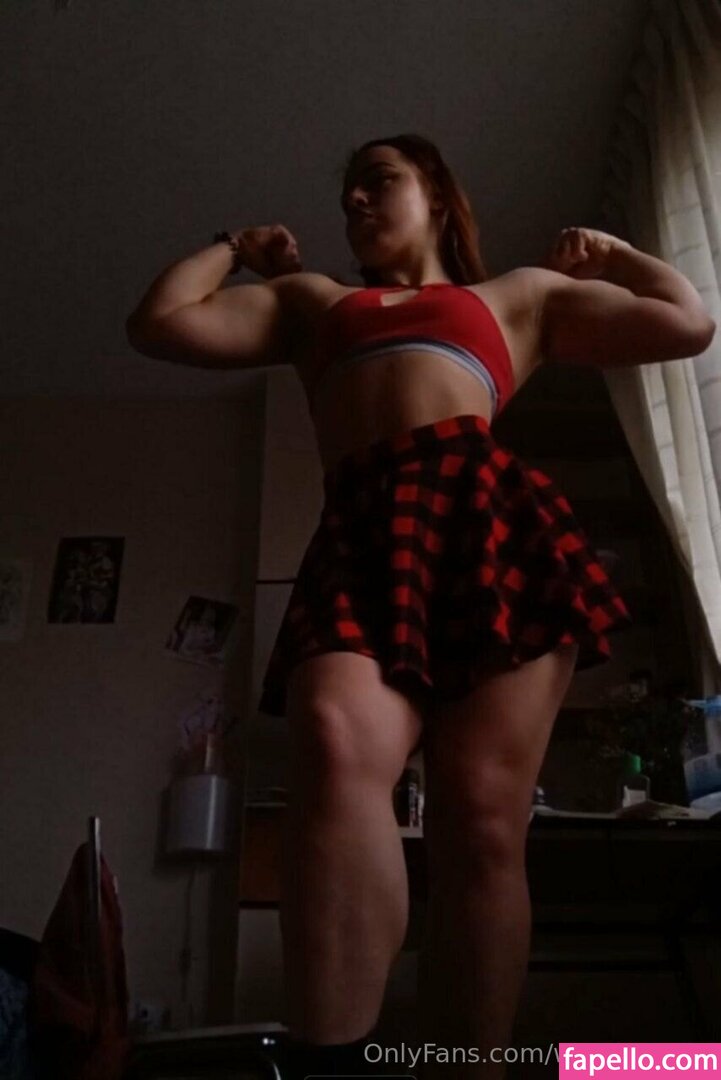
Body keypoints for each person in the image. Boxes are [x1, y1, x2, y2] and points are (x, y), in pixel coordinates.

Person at [126, 133, 716, 1079]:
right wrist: (235, 245)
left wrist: (614, 254)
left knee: (478, 824)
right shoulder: (311, 302)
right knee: (330, 737)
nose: (356, 202)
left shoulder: (516, 296)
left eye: (379, 181)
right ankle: (333, 1063)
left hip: (487, 523)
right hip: (363, 531)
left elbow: (685, 323)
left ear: (436, 194)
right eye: (348, 192)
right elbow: (159, 323)